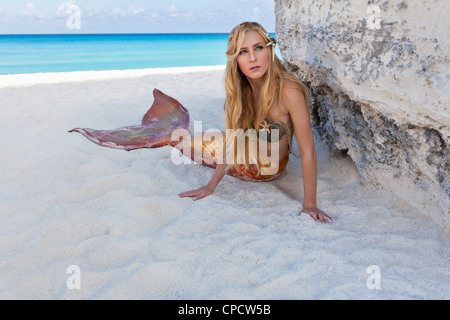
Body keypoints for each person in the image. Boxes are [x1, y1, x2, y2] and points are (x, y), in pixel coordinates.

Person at [178, 22, 332, 223]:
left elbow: (307, 152)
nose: (252, 58)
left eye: (258, 48)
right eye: (243, 51)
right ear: (235, 60)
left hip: (264, 169)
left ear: (269, 50)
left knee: (187, 143)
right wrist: (210, 186)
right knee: (184, 143)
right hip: (243, 148)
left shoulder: (289, 91)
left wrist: (310, 205)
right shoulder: (239, 92)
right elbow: (232, 143)